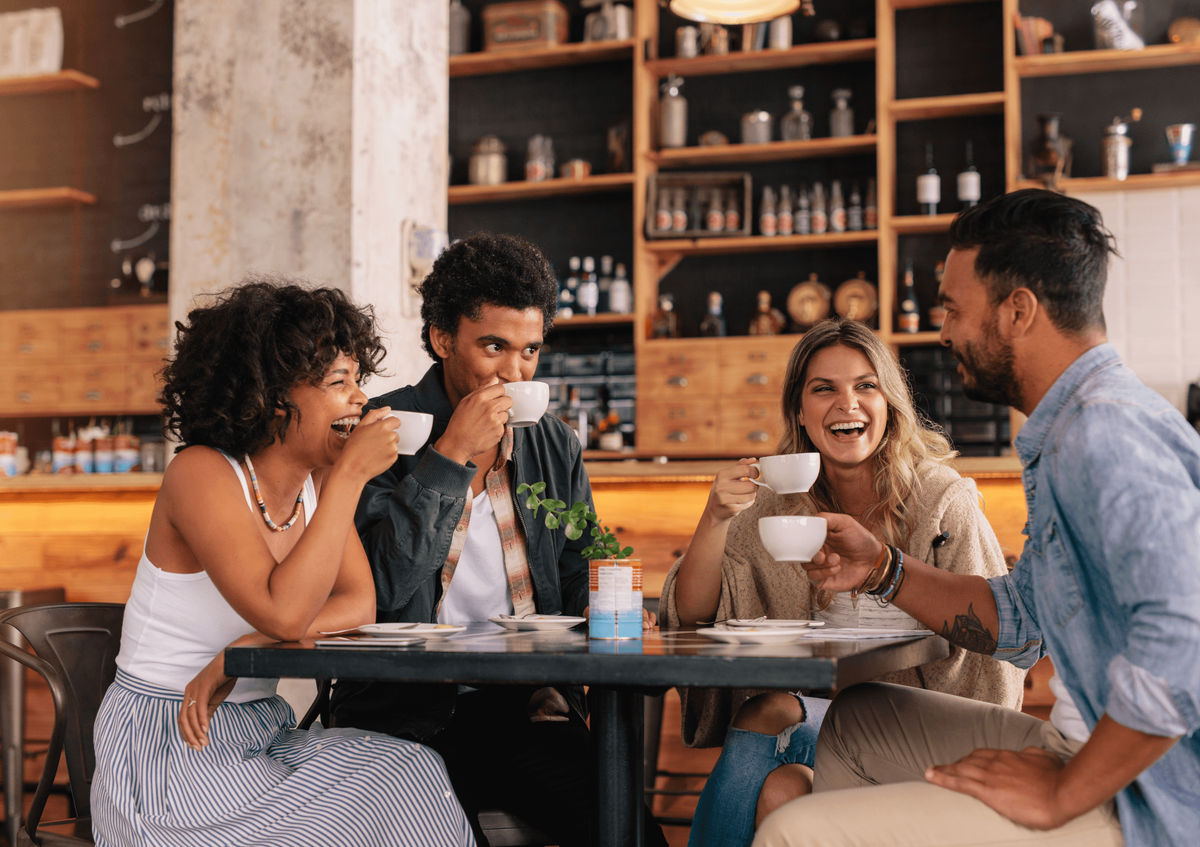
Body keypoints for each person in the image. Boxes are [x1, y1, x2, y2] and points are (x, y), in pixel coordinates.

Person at [755, 188, 1200, 847]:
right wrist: (883, 568)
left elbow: (1184, 640)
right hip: (1093, 751)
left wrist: (1061, 793)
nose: (944, 331)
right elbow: (1019, 624)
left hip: (1147, 795)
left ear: (1017, 310)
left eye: (955, 309)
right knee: (857, 717)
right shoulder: (1075, 424)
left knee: (792, 829)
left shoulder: (1102, 435)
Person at [90, 279, 474, 847]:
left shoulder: (315, 482)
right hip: (170, 747)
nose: (360, 400)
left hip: (259, 732)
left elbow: (357, 604)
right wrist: (351, 475)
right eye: (339, 383)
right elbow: (286, 614)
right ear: (271, 397)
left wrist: (240, 656)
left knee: (410, 771)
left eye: (358, 380)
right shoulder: (200, 473)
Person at [328, 233, 665, 847]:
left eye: (531, 350)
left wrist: (600, 601)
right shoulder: (384, 430)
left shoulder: (553, 445)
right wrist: (452, 453)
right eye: (494, 347)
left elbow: (576, 566)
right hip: (406, 714)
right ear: (441, 338)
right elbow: (378, 589)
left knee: (629, 833)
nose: (515, 371)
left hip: (524, 709)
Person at [661, 317, 1026, 847]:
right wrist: (714, 518)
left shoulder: (942, 501)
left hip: (924, 732)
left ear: (889, 404)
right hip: (824, 731)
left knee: (771, 714)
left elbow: (992, 649)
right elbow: (690, 614)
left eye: (865, 386)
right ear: (801, 413)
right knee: (785, 786)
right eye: (823, 389)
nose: (846, 403)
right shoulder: (777, 505)